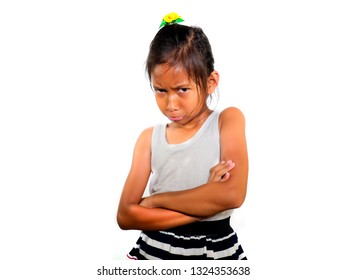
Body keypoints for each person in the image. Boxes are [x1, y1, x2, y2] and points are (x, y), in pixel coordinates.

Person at [117, 12, 248, 260]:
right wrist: (208, 200)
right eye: (160, 90)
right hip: (155, 249)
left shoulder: (227, 121)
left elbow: (232, 195)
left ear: (211, 82)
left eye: (182, 89)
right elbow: (125, 216)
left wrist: (157, 201)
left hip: (215, 250)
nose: (171, 104)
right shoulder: (149, 139)